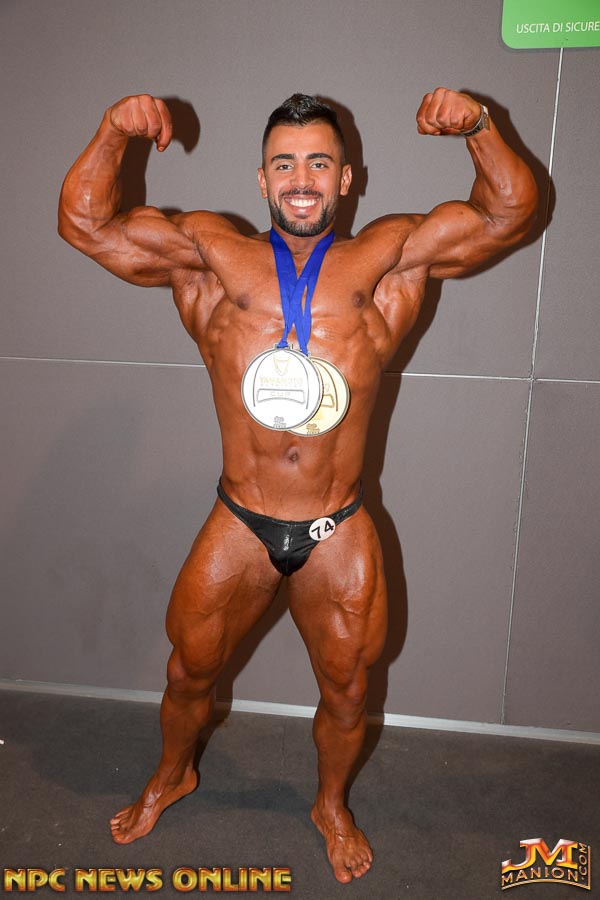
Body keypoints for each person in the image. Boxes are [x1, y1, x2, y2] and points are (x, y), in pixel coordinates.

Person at [58, 87, 537, 883]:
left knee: (347, 689)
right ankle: (173, 774)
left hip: (335, 526)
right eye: (284, 164)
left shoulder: (389, 255)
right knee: (187, 672)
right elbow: (85, 224)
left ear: (346, 178)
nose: (301, 178)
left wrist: (482, 129)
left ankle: (331, 805)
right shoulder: (210, 252)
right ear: (262, 178)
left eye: (319, 162)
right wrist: (113, 131)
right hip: (241, 518)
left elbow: (507, 213)